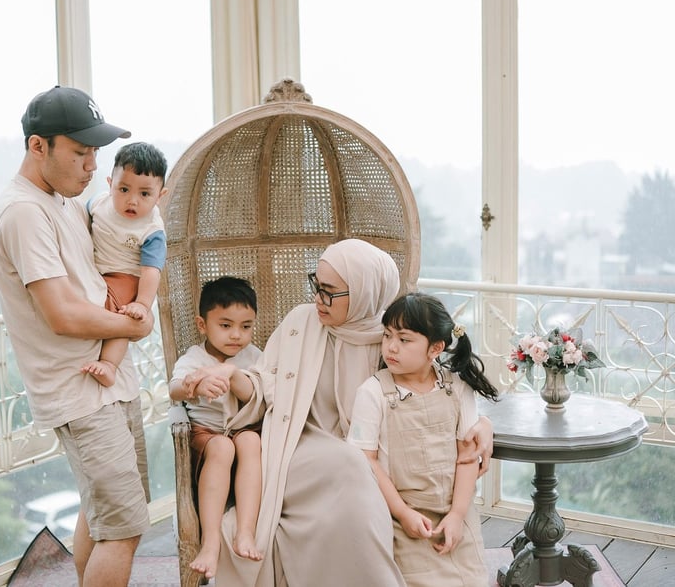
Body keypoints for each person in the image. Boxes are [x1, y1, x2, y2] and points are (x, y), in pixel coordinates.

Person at [184, 238, 494, 587]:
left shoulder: (391, 336)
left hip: (373, 454)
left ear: (364, 292)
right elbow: (263, 387)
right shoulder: (302, 323)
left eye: (330, 291)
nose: (318, 298)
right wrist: (232, 374)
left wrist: (482, 422)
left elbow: (438, 382)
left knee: (356, 466)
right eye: (316, 285)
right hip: (297, 443)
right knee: (350, 463)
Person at [0, 85, 153, 587]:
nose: (91, 165)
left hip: (108, 383)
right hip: (80, 393)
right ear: (38, 147)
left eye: (95, 153)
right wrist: (135, 323)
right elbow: (61, 314)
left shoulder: (61, 202)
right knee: (122, 529)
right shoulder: (24, 213)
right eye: (80, 152)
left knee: (110, 516)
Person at [347, 292, 499, 587]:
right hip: (403, 518)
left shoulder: (456, 387)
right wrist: (404, 514)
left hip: (456, 510)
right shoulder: (374, 392)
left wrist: (457, 514)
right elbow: (367, 461)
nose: (391, 347)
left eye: (404, 340)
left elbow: (466, 455)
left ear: (435, 348)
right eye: (388, 335)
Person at [168, 276, 264, 580]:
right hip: (207, 435)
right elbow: (173, 389)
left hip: (245, 430)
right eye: (225, 325)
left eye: (246, 326)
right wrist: (195, 385)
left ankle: (245, 533)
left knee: (250, 442)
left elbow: (257, 397)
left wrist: (234, 375)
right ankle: (210, 543)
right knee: (223, 446)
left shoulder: (254, 357)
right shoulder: (195, 358)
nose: (237, 335)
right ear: (202, 324)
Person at [81, 142, 168, 387]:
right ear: (110, 185)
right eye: (124, 189)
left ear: (160, 196)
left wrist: (142, 303)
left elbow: (151, 271)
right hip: (96, 271)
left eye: (144, 194)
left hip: (125, 278)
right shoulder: (98, 203)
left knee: (121, 319)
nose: (132, 201)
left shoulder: (151, 229)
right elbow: (79, 222)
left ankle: (109, 364)